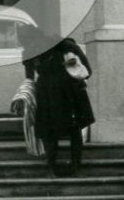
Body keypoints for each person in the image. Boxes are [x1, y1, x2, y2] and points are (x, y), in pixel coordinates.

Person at [24, 37, 94, 178]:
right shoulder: (67, 45)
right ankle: (75, 167)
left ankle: (51, 167)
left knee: (49, 131)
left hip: (47, 93)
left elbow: (29, 78)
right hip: (71, 91)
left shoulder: (30, 49)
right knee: (75, 130)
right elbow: (88, 70)